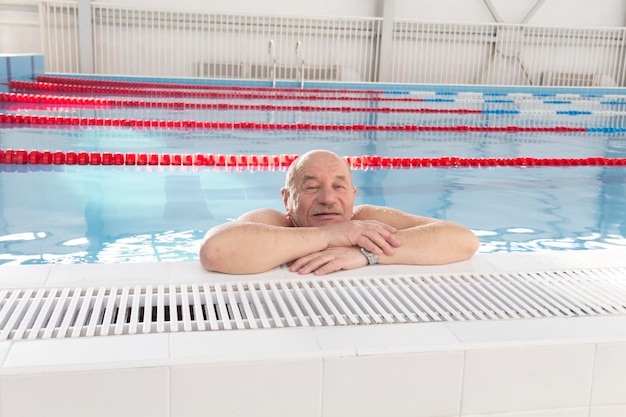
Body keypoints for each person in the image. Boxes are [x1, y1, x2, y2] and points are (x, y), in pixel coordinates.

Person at [200, 149, 479, 275]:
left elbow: (463, 240)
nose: (328, 199)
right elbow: (217, 251)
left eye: (338, 186)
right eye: (311, 188)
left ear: (353, 195)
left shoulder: (365, 219)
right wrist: (328, 236)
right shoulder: (275, 222)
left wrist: (366, 254)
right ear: (287, 200)